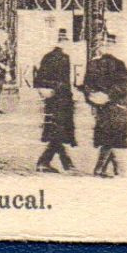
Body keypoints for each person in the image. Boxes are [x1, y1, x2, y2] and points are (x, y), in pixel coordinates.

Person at [83, 33, 127, 178]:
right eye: (103, 44)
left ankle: (115, 169)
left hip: (102, 105)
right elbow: (123, 85)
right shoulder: (119, 64)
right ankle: (101, 169)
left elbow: (87, 85)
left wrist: (93, 98)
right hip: (115, 105)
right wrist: (106, 96)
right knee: (110, 137)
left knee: (108, 136)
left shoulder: (94, 63)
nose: (103, 47)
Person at [35, 35, 78, 173]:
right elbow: (64, 82)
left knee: (56, 131)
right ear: (64, 44)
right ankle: (57, 163)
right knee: (58, 132)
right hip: (61, 99)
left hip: (52, 99)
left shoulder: (47, 57)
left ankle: (53, 162)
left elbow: (39, 79)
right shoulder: (64, 58)